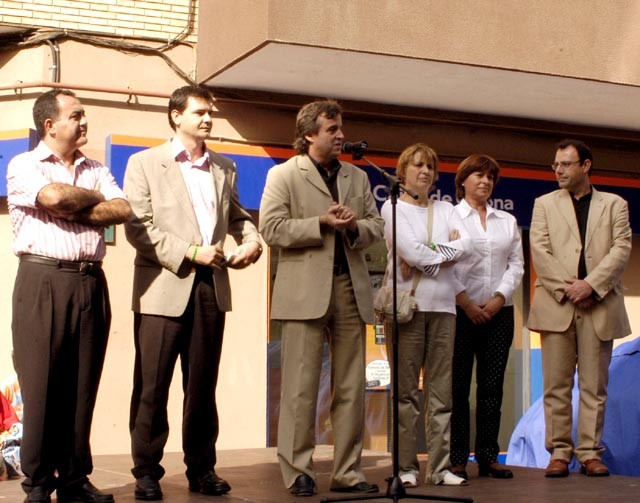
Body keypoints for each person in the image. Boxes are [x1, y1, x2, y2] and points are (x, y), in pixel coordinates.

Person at [123, 85, 262, 500]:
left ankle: (202, 470)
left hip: (211, 288)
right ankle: (146, 471)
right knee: (152, 386)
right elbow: (138, 226)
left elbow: (239, 218)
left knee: (202, 387)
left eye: (209, 113)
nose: (207, 119)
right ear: (175, 116)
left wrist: (252, 244)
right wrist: (190, 252)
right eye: (199, 112)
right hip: (163, 287)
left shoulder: (224, 166)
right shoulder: (144, 163)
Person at [7, 89, 131, 503]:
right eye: (76, 115)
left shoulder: (95, 167)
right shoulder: (23, 165)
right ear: (51, 125)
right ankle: (39, 484)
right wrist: (87, 202)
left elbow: (122, 209)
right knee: (41, 385)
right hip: (42, 280)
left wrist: (78, 205)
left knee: (82, 386)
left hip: (90, 283)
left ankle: (75, 479)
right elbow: (54, 198)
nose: (84, 122)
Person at [259, 99, 384, 497]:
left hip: (350, 289)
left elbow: (376, 226)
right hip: (302, 293)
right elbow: (272, 228)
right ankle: (298, 470)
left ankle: (348, 472)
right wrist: (320, 223)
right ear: (310, 133)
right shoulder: (284, 176)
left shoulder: (357, 178)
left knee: (350, 386)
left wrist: (352, 227)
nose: (341, 135)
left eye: (341, 128)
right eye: (332, 129)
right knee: (300, 386)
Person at [528, 139, 631, 478]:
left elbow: (621, 249)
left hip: (599, 305)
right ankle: (558, 452)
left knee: (594, 386)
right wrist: (571, 288)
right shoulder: (543, 204)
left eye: (566, 164)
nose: (558, 170)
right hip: (557, 304)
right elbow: (540, 251)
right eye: (555, 165)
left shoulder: (615, 204)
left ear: (585, 166)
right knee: (555, 386)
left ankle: (589, 453)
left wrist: (592, 285)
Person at [379, 143, 466, 488]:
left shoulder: (447, 208)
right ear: (402, 172)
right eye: (417, 166)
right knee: (405, 393)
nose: (425, 172)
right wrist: (442, 254)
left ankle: (441, 468)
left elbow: (467, 245)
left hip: (444, 307)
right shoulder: (392, 207)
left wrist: (424, 255)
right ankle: (405, 468)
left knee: (441, 392)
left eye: (430, 166)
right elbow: (410, 251)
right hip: (406, 309)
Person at [449, 154, 524, 480]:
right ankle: (456, 459)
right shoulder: (448, 217)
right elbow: (441, 263)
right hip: (457, 312)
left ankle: (488, 456)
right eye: (478, 175)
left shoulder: (505, 221)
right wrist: (465, 302)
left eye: (490, 177)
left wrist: (498, 299)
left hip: (499, 314)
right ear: (463, 180)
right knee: (458, 388)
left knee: (492, 387)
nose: (485, 181)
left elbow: (516, 265)